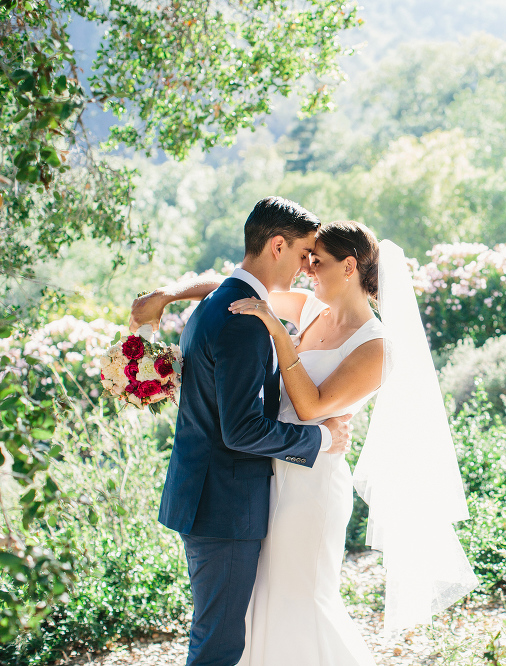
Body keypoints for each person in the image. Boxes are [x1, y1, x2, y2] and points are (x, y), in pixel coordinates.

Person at [132, 217, 478, 665]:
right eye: (307, 260)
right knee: (261, 606)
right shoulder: (313, 311)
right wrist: (168, 295)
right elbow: (239, 288)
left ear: (349, 267)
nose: (307, 271)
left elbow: (313, 408)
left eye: (318, 262)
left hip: (312, 486)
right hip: (269, 474)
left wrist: (278, 333)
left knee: (300, 602)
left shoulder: (376, 346)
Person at [133, 197, 353, 666]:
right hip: (224, 507)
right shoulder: (244, 323)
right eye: (302, 255)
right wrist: (321, 439)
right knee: (219, 645)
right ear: (277, 245)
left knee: (219, 634)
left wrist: (168, 293)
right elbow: (242, 430)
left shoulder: (220, 303)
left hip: (207, 495)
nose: (305, 267)